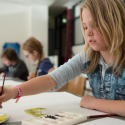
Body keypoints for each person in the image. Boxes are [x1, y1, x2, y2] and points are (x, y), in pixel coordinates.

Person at [0, 0, 125, 117]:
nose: (88, 33)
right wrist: (12, 92)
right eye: (85, 27)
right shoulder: (87, 57)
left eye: (96, 25)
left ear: (115, 23)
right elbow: (50, 79)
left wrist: (94, 103)